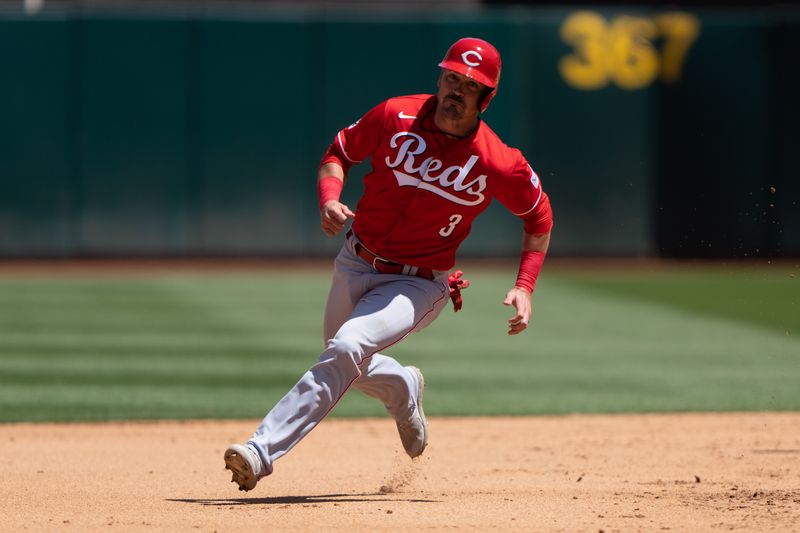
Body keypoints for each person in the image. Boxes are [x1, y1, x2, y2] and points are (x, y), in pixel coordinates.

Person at [223, 37, 553, 491]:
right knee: (344, 357)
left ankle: (260, 452)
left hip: (419, 284)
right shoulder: (395, 115)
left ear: (486, 97)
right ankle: (402, 388)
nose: (455, 89)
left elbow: (539, 217)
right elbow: (338, 153)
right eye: (451, 77)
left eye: (469, 85)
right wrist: (329, 198)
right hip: (355, 260)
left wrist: (526, 284)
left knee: (345, 349)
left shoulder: (498, 161)